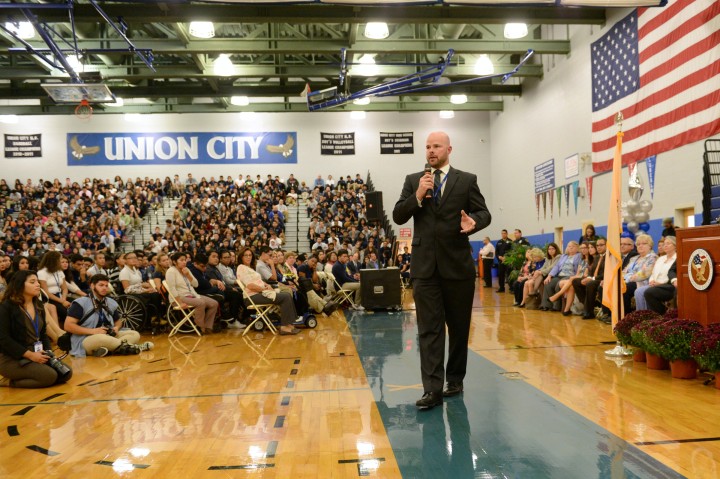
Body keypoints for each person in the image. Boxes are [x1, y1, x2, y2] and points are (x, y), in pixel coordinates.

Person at [392, 131, 491, 410]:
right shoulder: (414, 181)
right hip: (424, 267)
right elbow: (399, 214)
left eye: (436, 146)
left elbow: (484, 213)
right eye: (427, 147)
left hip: (457, 265)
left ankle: (455, 379)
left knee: (458, 328)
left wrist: (474, 223)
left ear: (449, 149)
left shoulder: (467, 180)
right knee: (429, 330)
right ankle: (432, 390)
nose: (431, 150)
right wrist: (418, 195)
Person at [0, 270, 72, 388]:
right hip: (11, 358)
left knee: (65, 373)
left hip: (37, 353)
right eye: (32, 282)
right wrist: (30, 355)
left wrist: (49, 353)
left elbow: (43, 334)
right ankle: (8, 381)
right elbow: (3, 339)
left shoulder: (38, 304)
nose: (38, 284)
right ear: (19, 285)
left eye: (37, 281)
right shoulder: (7, 307)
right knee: (49, 377)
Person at [64, 274, 154, 357]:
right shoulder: (80, 303)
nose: (104, 288)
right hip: (86, 339)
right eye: (101, 285)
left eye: (106, 286)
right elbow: (68, 326)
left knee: (134, 334)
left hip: (108, 336)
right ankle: (133, 347)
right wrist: (93, 331)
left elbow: (118, 323)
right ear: (92, 286)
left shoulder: (111, 302)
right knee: (101, 339)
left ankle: (113, 349)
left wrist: (116, 328)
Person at [236, 247, 301, 335]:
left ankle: (289, 323)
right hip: (252, 297)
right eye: (246, 255)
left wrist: (266, 285)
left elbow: (257, 281)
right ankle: (284, 327)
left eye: (250, 255)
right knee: (285, 297)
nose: (248, 257)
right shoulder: (241, 267)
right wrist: (263, 289)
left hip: (258, 294)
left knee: (286, 295)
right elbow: (250, 285)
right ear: (241, 257)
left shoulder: (249, 268)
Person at [165, 252, 219, 335]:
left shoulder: (187, 269)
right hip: (179, 298)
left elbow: (196, 284)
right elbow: (172, 289)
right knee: (201, 303)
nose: (184, 262)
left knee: (214, 303)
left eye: (185, 260)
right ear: (175, 262)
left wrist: (187, 275)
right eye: (181, 260)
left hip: (192, 295)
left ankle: (208, 326)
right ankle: (201, 326)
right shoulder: (171, 271)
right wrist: (179, 302)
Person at [635, 236, 676, 311]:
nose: (665, 245)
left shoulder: (677, 258)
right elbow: (653, 272)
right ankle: (642, 315)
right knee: (640, 291)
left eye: (668, 243)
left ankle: (659, 314)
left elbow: (672, 274)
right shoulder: (661, 259)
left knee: (645, 291)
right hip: (655, 284)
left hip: (667, 285)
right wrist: (651, 281)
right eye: (664, 244)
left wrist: (659, 283)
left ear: (675, 246)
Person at [571, 237, 607, 319]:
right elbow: (591, 272)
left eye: (601, 245)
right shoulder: (597, 257)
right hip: (594, 278)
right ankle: (591, 306)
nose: (598, 247)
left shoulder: (609, 257)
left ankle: (588, 312)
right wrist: (589, 277)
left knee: (590, 283)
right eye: (597, 245)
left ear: (607, 245)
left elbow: (606, 273)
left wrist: (592, 279)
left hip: (602, 279)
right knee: (576, 281)